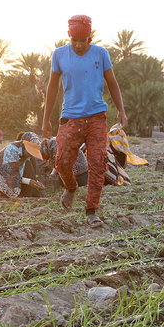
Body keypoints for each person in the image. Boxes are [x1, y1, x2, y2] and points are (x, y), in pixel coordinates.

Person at [42, 14, 127, 228]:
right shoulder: (59, 55)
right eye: (74, 41)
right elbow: (52, 88)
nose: (78, 45)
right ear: (69, 37)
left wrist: (121, 110)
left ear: (90, 38)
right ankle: (70, 188)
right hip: (70, 118)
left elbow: (113, 83)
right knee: (61, 162)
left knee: (98, 164)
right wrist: (45, 119)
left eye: (83, 41)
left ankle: (91, 211)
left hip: (97, 117)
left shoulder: (101, 54)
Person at [0, 132, 46, 198]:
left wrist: (36, 181)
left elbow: (31, 170)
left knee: (30, 163)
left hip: (17, 175)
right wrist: (29, 181)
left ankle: (30, 191)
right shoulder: (11, 151)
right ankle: (23, 193)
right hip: (5, 179)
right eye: (30, 152)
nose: (31, 154)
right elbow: (10, 175)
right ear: (24, 146)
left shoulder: (25, 153)